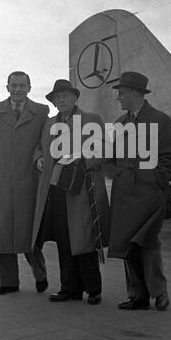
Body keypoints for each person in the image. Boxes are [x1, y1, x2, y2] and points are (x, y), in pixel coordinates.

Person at [31, 79, 110, 305]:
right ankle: (70, 289)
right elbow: (38, 147)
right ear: (54, 102)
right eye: (57, 97)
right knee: (64, 240)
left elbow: (105, 147)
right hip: (56, 188)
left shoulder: (91, 120)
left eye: (65, 96)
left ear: (75, 98)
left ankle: (93, 289)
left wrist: (84, 160)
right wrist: (38, 159)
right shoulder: (48, 124)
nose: (61, 100)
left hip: (82, 188)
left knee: (84, 238)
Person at [108, 71, 171, 311]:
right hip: (124, 194)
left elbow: (170, 159)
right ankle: (137, 295)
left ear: (136, 94)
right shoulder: (120, 123)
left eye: (122, 93)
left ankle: (159, 293)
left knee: (147, 242)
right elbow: (111, 155)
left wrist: (153, 178)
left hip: (149, 193)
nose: (118, 97)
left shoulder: (160, 120)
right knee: (129, 244)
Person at [0, 71, 49, 295]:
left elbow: (43, 142)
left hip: (29, 179)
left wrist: (40, 160)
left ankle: (40, 274)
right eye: (14, 85)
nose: (18, 89)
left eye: (22, 85)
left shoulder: (42, 111)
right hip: (1, 180)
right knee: (3, 231)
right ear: (7, 87)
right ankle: (8, 282)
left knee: (29, 231)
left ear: (29, 87)